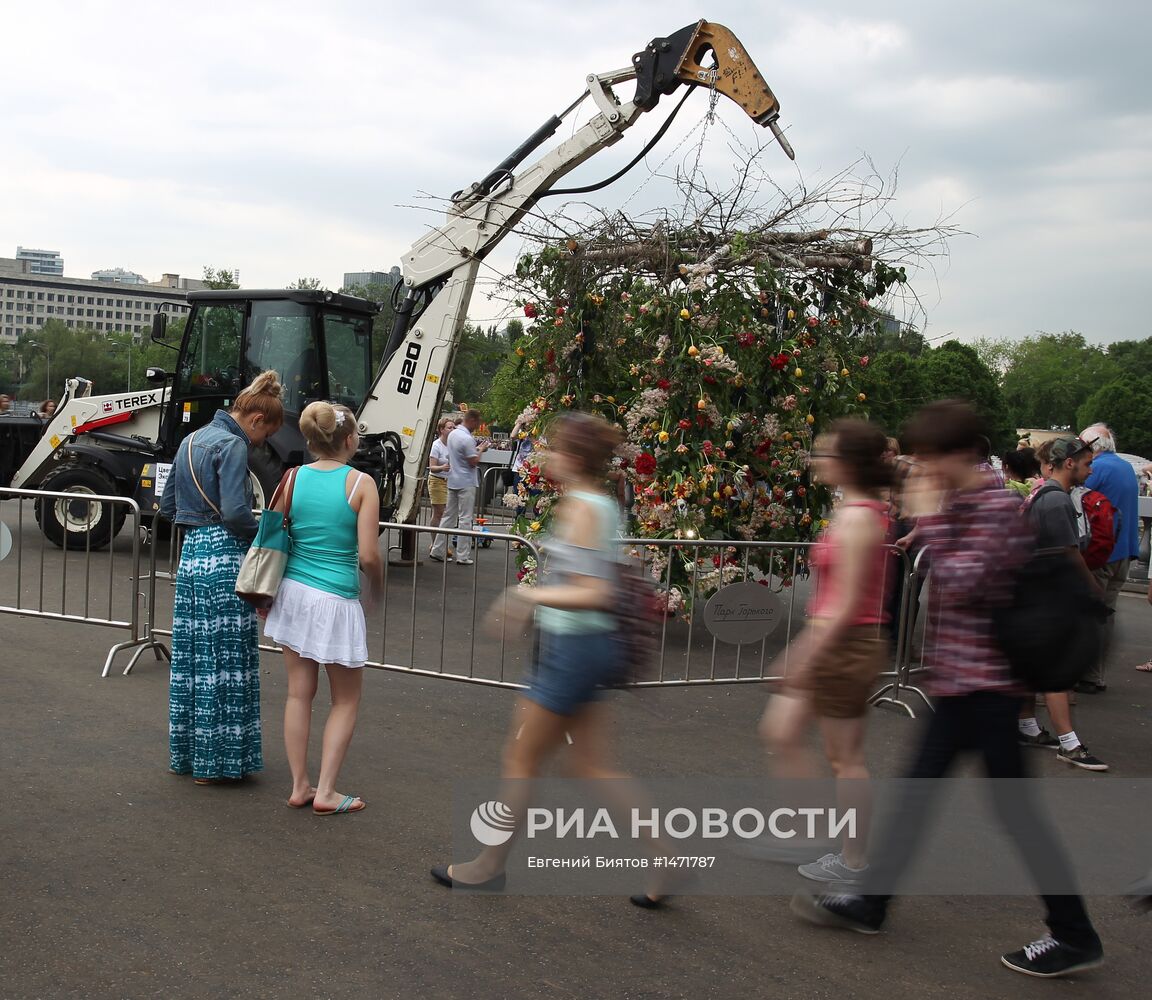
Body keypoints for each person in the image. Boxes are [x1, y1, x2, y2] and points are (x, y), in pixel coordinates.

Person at [791, 401, 1104, 979]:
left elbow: (969, 582)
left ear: (961, 454)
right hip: (961, 685)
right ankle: (871, 902)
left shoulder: (994, 506)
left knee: (1016, 816)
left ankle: (1074, 932)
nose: (922, 467)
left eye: (931, 457)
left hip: (986, 688)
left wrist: (927, 517)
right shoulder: (965, 503)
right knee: (916, 799)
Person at [431, 412, 670, 903]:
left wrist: (527, 598)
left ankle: (487, 866)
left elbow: (595, 592)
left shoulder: (583, 508)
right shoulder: (598, 505)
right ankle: (666, 861)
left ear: (575, 457)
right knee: (591, 767)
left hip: (573, 650)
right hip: (586, 648)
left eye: (556, 448)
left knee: (522, 758)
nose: (548, 456)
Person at [760, 419, 894, 883]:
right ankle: (809, 829)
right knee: (781, 730)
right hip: (838, 640)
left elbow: (848, 601)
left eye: (824, 453)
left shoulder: (860, 516)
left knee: (846, 759)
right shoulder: (857, 509)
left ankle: (854, 860)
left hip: (846, 642)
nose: (815, 460)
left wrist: (803, 652)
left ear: (847, 463)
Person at [159, 371, 284, 784]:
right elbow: (234, 512)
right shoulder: (232, 444)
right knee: (227, 660)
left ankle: (192, 756)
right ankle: (221, 763)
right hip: (225, 556)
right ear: (255, 420)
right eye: (265, 434)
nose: (261, 443)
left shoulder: (190, 440)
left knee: (196, 660)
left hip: (192, 555)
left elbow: (167, 506)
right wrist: (266, 531)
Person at [263, 401, 383, 815]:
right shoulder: (361, 483)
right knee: (345, 700)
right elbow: (368, 555)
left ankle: (300, 785)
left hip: (293, 592)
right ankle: (328, 791)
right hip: (335, 598)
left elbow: (273, 531)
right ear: (349, 439)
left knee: (299, 694)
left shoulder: (292, 477)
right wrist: (379, 586)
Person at [1017, 436, 1108, 770]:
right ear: (1069, 463)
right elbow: (1068, 552)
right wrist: (1092, 587)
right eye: (1087, 463)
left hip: (1033, 592)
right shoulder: (1057, 501)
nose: (1091, 469)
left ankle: (1027, 726)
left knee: (1034, 666)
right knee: (1056, 670)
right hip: (1048, 593)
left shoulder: (1042, 494)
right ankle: (1069, 743)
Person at [1078, 424, 1139, 690]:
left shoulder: (1098, 468)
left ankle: (1088, 675)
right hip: (1123, 550)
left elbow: (1072, 491)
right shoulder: (1125, 467)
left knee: (1091, 614)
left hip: (1103, 553)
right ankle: (1095, 674)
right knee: (1106, 614)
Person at [429, 409, 489, 566]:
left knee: (448, 516)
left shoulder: (453, 434)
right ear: (472, 421)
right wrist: (481, 450)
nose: (477, 426)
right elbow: (473, 461)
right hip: (466, 481)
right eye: (477, 423)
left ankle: (437, 549)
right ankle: (462, 555)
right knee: (465, 519)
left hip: (453, 479)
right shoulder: (467, 438)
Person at [427, 417, 453, 551]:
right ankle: (436, 544)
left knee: (446, 513)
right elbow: (432, 467)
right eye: (449, 427)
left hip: (449, 481)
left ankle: (439, 544)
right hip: (437, 480)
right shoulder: (436, 445)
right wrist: (442, 467)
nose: (452, 430)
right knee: (439, 513)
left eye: (453, 427)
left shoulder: (452, 444)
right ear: (441, 430)